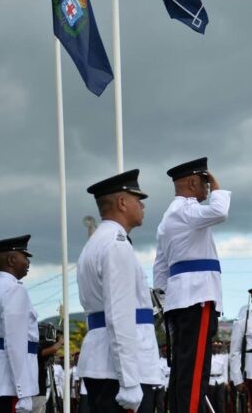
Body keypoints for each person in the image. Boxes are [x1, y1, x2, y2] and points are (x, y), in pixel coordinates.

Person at [76, 169, 162, 412]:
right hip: (119, 372)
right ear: (123, 202)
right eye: (138, 199)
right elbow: (120, 315)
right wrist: (129, 382)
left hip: (103, 364)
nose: (142, 206)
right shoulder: (116, 245)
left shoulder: (95, 243)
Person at [153, 157, 231, 413]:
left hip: (180, 301)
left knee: (183, 372)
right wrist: (218, 185)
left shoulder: (168, 218)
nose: (208, 188)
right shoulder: (186, 211)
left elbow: (160, 269)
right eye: (205, 182)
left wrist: (165, 305)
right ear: (191, 182)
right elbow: (220, 211)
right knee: (196, 372)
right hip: (197, 298)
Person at [0, 235, 39, 413]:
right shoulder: (15, 290)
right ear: (12, 259)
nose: (28, 262)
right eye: (25, 256)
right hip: (11, 383)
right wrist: (23, 393)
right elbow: (16, 344)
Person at [208, 341, 229, 413]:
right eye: (214, 346)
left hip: (220, 380)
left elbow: (225, 369)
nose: (216, 348)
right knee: (211, 401)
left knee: (221, 401)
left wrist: (226, 382)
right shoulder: (208, 357)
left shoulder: (222, 357)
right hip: (210, 381)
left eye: (217, 347)